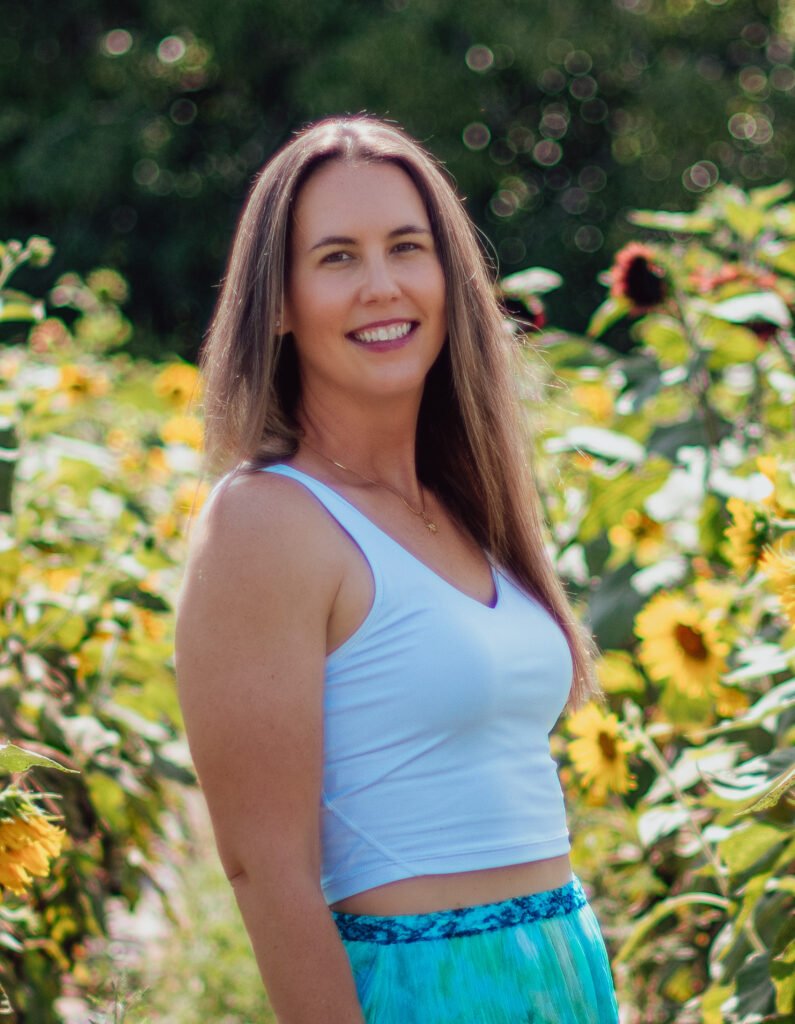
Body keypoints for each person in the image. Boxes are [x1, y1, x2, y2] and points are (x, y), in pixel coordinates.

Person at [174, 114, 620, 1023]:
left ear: (448, 277)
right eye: (337, 257)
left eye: (406, 248)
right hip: (419, 992)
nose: (382, 287)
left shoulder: (468, 505)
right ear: (280, 301)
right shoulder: (267, 521)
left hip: (564, 972)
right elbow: (267, 870)